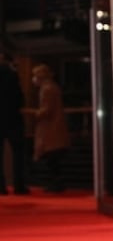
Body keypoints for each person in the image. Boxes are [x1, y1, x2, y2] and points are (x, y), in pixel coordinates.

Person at [31, 64, 70, 192]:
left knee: (52, 158)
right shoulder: (53, 87)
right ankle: (57, 182)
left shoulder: (46, 89)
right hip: (55, 127)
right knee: (53, 158)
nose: (34, 79)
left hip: (51, 128)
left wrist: (33, 113)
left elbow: (46, 110)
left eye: (35, 76)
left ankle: (56, 183)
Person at [0, 48, 29, 195]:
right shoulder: (12, 74)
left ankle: (1, 186)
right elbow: (19, 96)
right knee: (18, 153)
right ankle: (19, 185)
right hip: (13, 117)